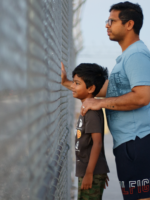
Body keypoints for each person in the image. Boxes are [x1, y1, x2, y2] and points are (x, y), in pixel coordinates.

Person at [62, 2, 150, 200]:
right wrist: (67, 82)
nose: (106, 25)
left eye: (112, 21)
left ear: (129, 24)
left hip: (139, 139)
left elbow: (142, 96)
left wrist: (99, 103)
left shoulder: (136, 55)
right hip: (132, 141)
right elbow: (97, 89)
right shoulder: (126, 58)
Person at [62, 63, 110, 200]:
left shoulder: (92, 112)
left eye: (77, 83)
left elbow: (98, 143)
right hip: (90, 170)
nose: (73, 86)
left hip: (91, 171)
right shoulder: (87, 108)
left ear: (90, 88)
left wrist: (91, 173)